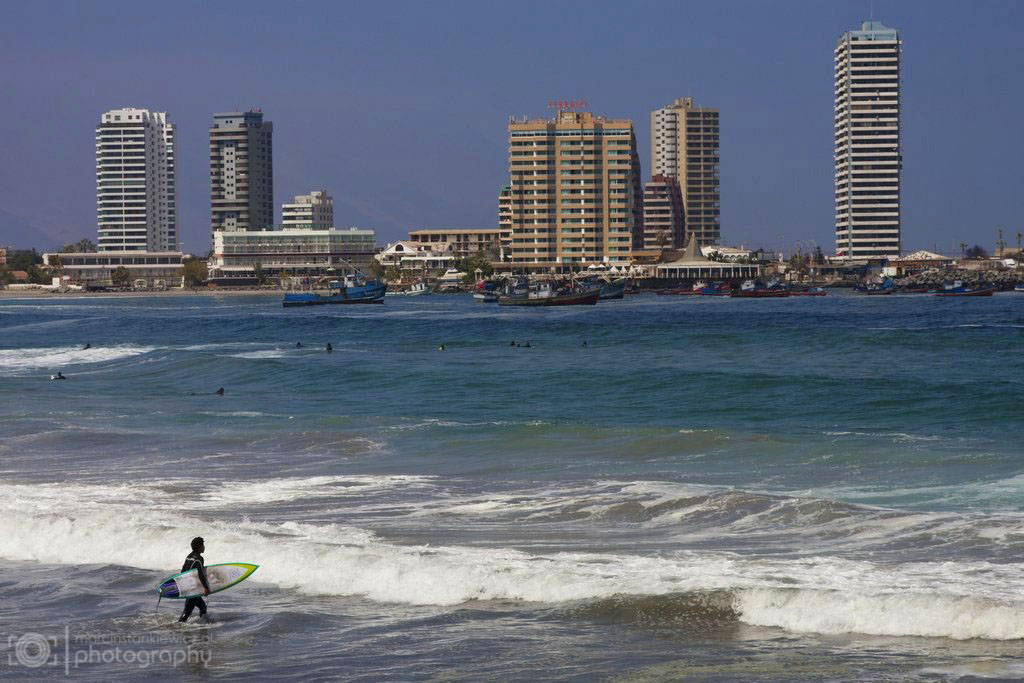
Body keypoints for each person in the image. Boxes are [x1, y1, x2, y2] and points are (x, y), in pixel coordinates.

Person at [178, 537, 210, 623]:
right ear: (199, 547)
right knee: (186, 613)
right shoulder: (199, 559)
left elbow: (182, 571)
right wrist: (206, 588)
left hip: (189, 587)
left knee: (202, 606)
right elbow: (201, 574)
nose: (204, 547)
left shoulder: (188, 557)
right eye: (203, 545)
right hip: (193, 589)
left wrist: (184, 586)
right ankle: (177, 627)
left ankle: (203, 624)